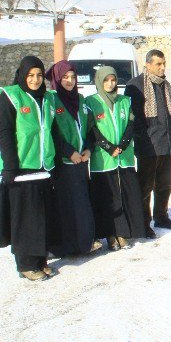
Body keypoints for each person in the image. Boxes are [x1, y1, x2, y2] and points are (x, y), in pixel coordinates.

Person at [0, 56, 59, 281]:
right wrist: (10, 167)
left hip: (44, 166)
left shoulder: (47, 98)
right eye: (30, 75)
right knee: (24, 219)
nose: (35, 80)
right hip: (21, 168)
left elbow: (52, 131)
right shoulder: (10, 97)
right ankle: (25, 264)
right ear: (23, 75)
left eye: (38, 75)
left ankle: (39, 260)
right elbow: (4, 133)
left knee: (41, 217)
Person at [86, 66, 145, 251]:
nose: (110, 84)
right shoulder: (91, 102)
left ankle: (123, 233)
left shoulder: (125, 101)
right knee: (107, 199)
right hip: (103, 160)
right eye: (106, 80)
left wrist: (124, 144)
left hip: (124, 156)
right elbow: (92, 129)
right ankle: (110, 235)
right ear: (99, 81)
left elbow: (130, 123)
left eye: (113, 80)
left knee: (125, 197)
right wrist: (108, 147)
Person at [46, 60, 100, 256]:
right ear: (57, 79)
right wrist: (68, 151)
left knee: (81, 202)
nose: (69, 81)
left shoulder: (81, 99)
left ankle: (84, 243)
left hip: (80, 162)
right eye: (65, 77)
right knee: (65, 205)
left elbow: (90, 128)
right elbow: (50, 132)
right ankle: (66, 246)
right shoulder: (51, 100)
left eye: (72, 77)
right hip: (63, 163)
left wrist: (88, 149)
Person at [126, 49, 171, 238]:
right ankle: (143, 222)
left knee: (165, 184)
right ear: (148, 65)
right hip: (148, 146)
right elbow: (134, 118)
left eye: (163, 63)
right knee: (145, 186)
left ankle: (161, 216)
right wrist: (144, 137)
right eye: (158, 64)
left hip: (166, 142)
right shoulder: (136, 85)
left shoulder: (166, 84)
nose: (162, 67)